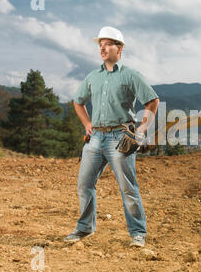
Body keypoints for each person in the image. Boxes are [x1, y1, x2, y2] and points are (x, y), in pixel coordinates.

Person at [64, 26, 159, 248]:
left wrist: (141, 131)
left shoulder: (131, 75)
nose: (102, 48)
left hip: (120, 137)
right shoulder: (92, 77)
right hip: (95, 138)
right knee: (84, 184)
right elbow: (78, 102)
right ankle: (85, 228)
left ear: (119, 48)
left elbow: (152, 101)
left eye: (107, 44)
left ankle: (137, 233)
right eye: (100, 45)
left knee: (128, 187)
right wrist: (87, 124)